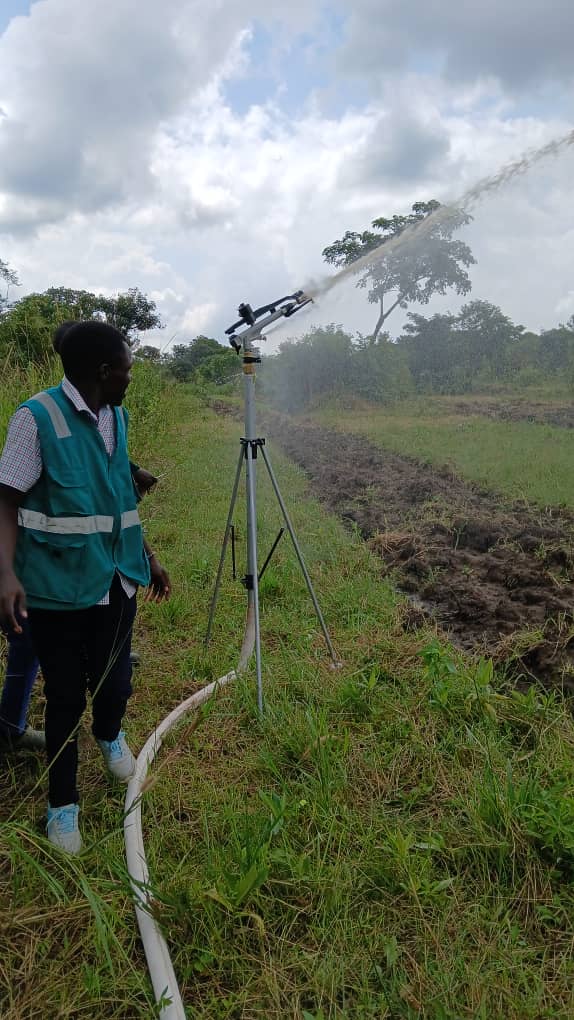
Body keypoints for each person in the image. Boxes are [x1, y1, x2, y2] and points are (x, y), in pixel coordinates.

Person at [0, 320, 171, 853]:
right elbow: (6, 501)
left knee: (116, 682)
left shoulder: (116, 417)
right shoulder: (36, 418)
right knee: (67, 697)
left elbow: (116, 494)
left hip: (117, 579)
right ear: (103, 371)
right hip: (58, 587)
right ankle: (62, 805)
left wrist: (149, 556)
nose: (130, 375)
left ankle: (110, 732)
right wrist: (4, 574)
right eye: (127, 366)